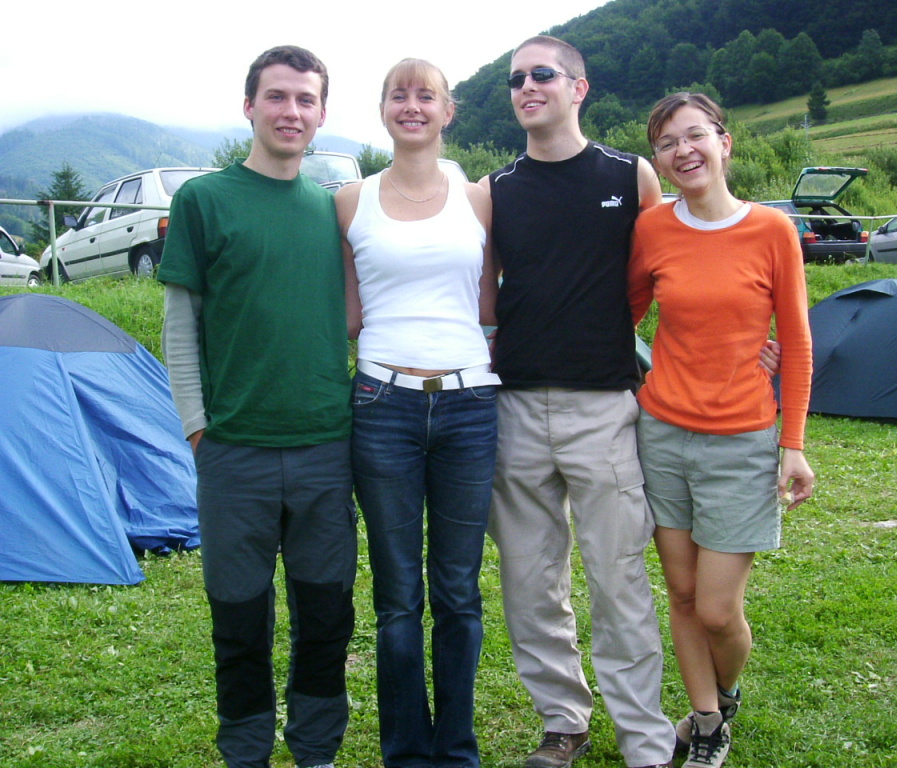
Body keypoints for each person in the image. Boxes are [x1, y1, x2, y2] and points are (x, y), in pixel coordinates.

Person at [480, 35, 676, 768]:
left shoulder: (631, 175)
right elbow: (482, 302)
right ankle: (562, 722)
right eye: (515, 79)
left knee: (619, 577)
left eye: (542, 74)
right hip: (516, 407)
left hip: (604, 407)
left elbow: (669, 273)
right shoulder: (493, 190)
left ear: (579, 88)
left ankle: (644, 737)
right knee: (530, 582)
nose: (527, 87)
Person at [159, 45, 356, 768]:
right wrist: (197, 427)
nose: (291, 112)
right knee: (239, 621)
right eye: (277, 96)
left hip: (325, 446)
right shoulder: (203, 200)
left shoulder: (333, 210)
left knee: (326, 616)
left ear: (322, 114)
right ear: (249, 107)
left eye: (306, 100)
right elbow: (181, 325)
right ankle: (245, 752)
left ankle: (316, 750)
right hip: (233, 451)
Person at [628, 92, 815, 768]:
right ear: (659, 160)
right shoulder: (652, 228)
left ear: (724, 142)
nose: (683, 151)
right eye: (667, 143)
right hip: (661, 435)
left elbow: (797, 341)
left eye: (694, 135)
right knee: (680, 595)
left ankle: (725, 695)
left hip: (741, 443)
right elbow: (619, 313)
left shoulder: (772, 230)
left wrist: (793, 445)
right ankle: (706, 723)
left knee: (716, 610)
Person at [336, 58, 500, 768]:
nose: (412, 106)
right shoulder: (350, 201)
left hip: (470, 404)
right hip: (382, 404)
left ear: (447, 110)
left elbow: (490, 302)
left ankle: (456, 750)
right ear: (383, 110)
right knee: (398, 595)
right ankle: (405, 752)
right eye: (398, 95)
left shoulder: (480, 198)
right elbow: (349, 315)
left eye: (425, 95)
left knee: (458, 592)